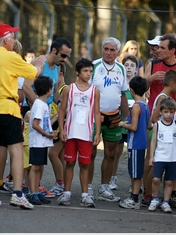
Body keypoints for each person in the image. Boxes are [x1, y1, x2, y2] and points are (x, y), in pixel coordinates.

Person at [0, 23, 45, 208]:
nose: (13, 41)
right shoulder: (10, 56)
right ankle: (18, 194)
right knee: (17, 151)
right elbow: (32, 73)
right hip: (7, 108)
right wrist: (38, 64)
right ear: (5, 40)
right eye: (12, 37)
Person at [143, 34, 176, 206]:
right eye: (158, 47)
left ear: (172, 50)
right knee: (152, 156)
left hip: (175, 119)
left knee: (175, 156)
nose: (158, 50)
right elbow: (141, 86)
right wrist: (150, 78)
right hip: (154, 118)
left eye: (162, 48)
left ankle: (170, 195)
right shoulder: (153, 64)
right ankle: (148, 195)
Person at [23, 37, 72, 195]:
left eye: (67, 57)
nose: (65, 60)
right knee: (33, 149)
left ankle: (37, 187)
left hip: (47, 109)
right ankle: (27, 187)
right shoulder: (40, 63)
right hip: (33, 109)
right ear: (54, 50)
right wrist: (38, 104)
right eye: (63, 56)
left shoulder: (57, 66)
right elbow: (25, 85)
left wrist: (63, 106)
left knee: (43, 150)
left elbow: (56, 90)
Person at [89, 37, 129, 202]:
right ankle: (88, 187)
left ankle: (104, 188)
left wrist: (127, 119)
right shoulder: (93, 66)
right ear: (101, 49)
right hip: (93, 117)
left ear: (118, 53)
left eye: (113, 50)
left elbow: (123, 93)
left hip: (114, 118)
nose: (109, 53)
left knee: (111, 154)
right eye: (106, 49)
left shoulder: (121, 68)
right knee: (89, 153)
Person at [57, 58, 101, 207]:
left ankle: (85, 195)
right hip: (70, 133)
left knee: (85, 164)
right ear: (77, 72)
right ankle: (66, 193)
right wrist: (61, 129)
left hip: (86, 134)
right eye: (85, 71)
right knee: (69, 162)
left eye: (90, 71)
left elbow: (96, 113)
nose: (88, 74)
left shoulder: (94, 91)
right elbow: (62, 110)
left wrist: (97, 132)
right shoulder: (69, 89)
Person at [118, 76, 150, 210]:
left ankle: (135, 198)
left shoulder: (136, 107)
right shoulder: (146, 106)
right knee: (134, 171)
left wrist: (123, 124)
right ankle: (134, 196)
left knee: (136, 173)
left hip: (135, 143)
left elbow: (134, 127)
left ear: (131, 90)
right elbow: (148, 125)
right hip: (141, 142)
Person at [148, 98, 176, 213]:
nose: (169, 115)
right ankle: (155, 199)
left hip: (173, 157)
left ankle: (166, 202)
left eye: (171, 112)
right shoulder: (157, 124)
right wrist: (151, 156)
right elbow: (153, 141)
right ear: (161, 112)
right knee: (156, 179)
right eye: (166, 112)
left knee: (169, 182)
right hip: (160, 156)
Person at [27, 76, 58, 205]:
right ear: (48, 90)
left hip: (42, 141)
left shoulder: (43, 104)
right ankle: (33, 193)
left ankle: (36, 192)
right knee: (35, 167)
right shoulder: (40, 104)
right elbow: (35, 124)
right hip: (37, 141)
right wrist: (48, 134)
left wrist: (51, 130)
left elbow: (45, 122)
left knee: (39, 167)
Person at [109, 54, 138, 191]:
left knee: (134, 154)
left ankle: (135, 183)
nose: (129, 68)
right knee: (116, 152)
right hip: (120, 124)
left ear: (136, 70)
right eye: (126, 65)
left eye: (132, 66)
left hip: (134, 125)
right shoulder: (118, 83)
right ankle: (112, 178)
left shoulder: (139, 87)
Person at [48, 63, 68, 196]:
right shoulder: (54, 91)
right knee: (61, 156)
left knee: (52, 154)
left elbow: (65, 111)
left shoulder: (65, 90)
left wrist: (54, 118)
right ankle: (65, 185)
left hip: (63, 126)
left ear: (60, 74)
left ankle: (60, 183)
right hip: (57, 126)